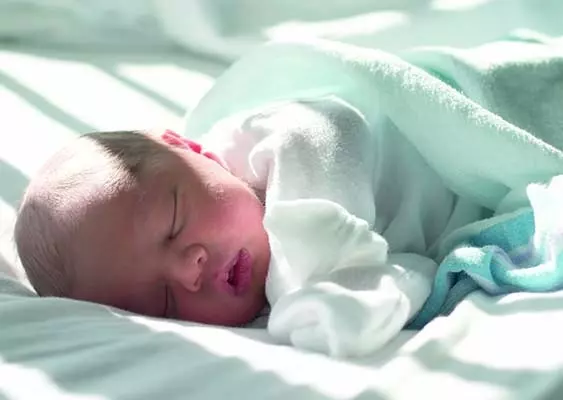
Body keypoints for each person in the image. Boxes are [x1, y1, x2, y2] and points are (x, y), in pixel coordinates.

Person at [14, 97, 483, 349]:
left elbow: (331, 124)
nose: (189, 270)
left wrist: (315, 273)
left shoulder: (271, 144)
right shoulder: (266, 315)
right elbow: (408, 273)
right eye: (164, 301)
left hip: (455, 137)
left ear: (190, 149)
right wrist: (358, 298)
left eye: (174, 223)